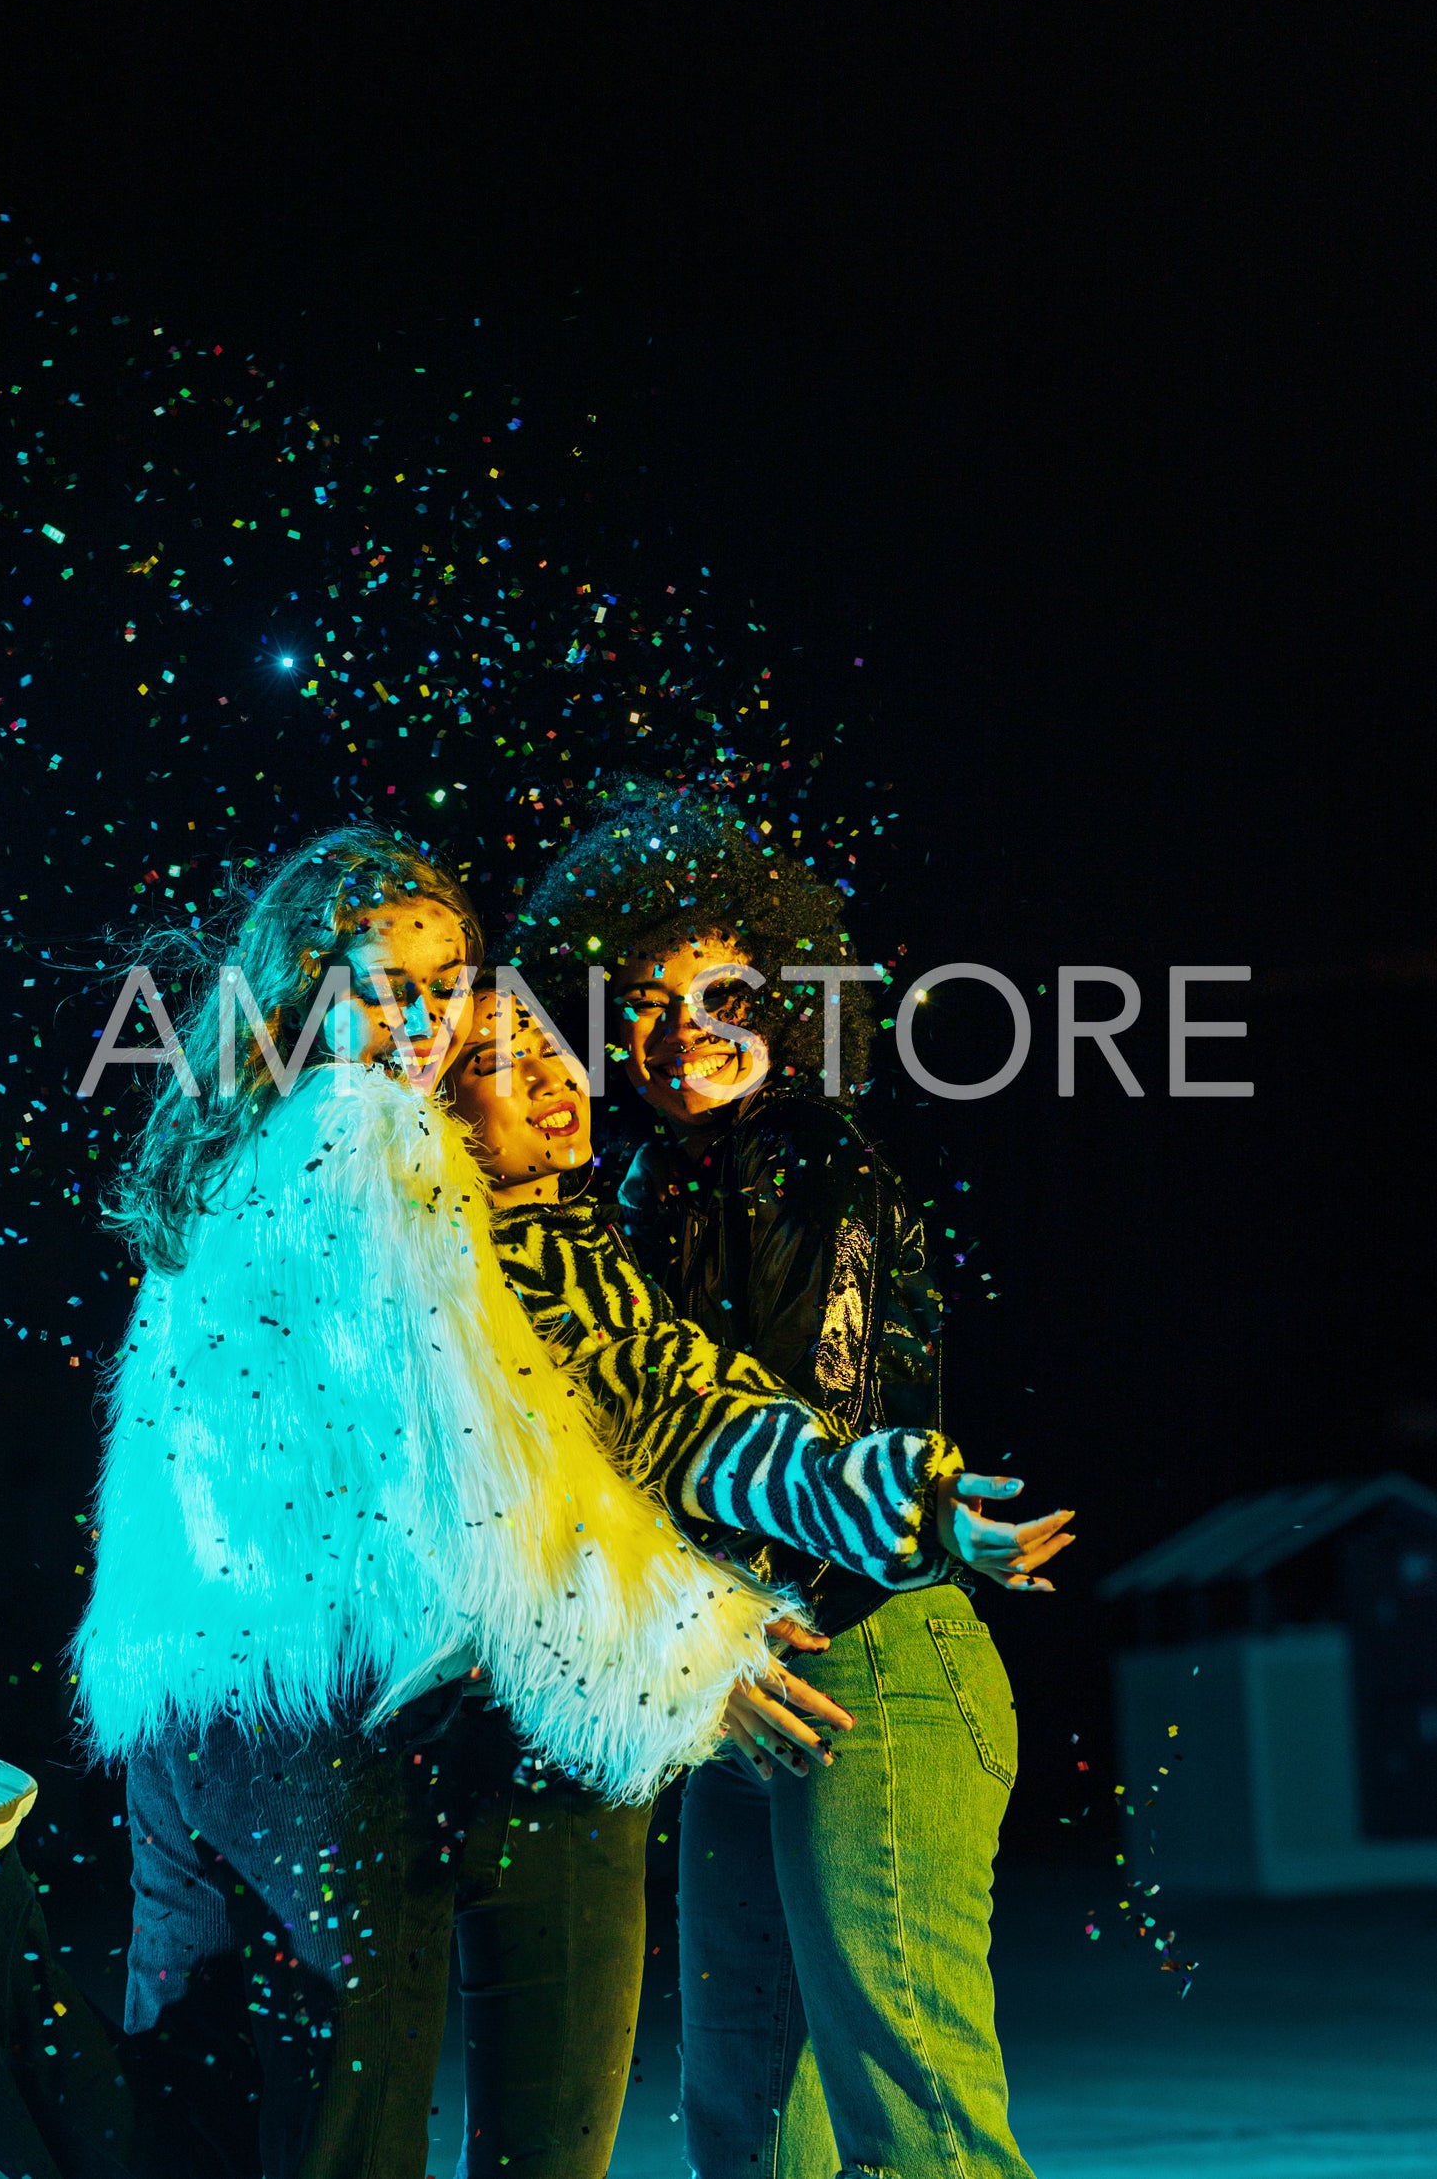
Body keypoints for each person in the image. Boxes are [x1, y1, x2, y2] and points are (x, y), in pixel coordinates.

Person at [0, 823, 797, 2179]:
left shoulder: (227, 1139)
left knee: (210, 2110)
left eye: (449, 978)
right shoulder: (368, 1137)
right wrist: (687, 1638)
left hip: (192, 1694)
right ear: (302, 985)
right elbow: (475, 1457)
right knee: (336, 2138)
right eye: (379, 981)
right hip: (315, 1712)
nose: (421, 1016)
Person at [523, 782, 1069, 2179]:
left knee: (912, 2119)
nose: (676, 1035)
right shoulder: (643, 1190)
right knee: (747, 2124)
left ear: (790, 997)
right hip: (743, 1673)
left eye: (717, 992)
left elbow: (814, 1438)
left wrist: (745, 1619)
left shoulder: (812, 1166)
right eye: (638, 1001)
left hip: (860, 1656)